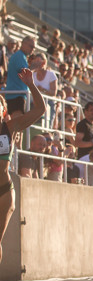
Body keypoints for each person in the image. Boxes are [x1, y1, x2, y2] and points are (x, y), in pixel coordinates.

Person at [0, 68, 47, 263]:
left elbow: (40, 110)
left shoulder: (9, 127)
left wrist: (31, 85)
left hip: (3, 190)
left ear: (3, 112)